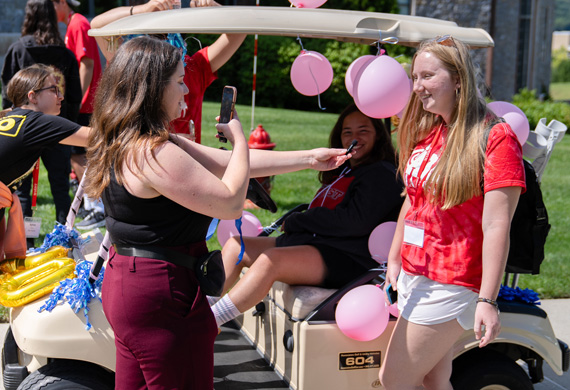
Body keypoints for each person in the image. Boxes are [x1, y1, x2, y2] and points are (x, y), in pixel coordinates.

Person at [83, 35, 350, 389]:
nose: (186, 91)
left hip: (130, 284)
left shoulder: (129, 138)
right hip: (162, 292)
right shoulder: (154, 151)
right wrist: (240, 139)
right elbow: (230, 201)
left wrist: (308, 159)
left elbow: (225, 163)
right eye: (179, 81)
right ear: (152, 88)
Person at [379, 35, 525, 390]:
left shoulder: (495, 137)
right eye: (414, 77)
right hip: (417, 273)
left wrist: (488, 300)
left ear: (458, 78)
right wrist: (395, 258)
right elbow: (413, 198)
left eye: (428, 76)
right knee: (433, 377)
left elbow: (496, 225)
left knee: (394, 379)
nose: (417, 87)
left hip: (453, 281)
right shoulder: (434, 130)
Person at [210, 104, 404, 328]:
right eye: (347, 132)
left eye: (363, 130)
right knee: (236, 247)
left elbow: (355, 222)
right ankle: (200, 307)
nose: (355, 137)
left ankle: (208, 321)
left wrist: (299, 220)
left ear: (378, 135)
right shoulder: (347, 169)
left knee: (269, 262)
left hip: (346, 257)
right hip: (319, 244)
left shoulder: (381, 174)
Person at [90, 0, 246, 143]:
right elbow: (97, 25)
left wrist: (211, 9)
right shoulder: (134, 67)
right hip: (142, 161)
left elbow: (241, 28)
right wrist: (142, 9)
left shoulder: (194, 66)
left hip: (188, 163)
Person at [1, 0, 83, 240]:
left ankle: (23, 243)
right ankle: (65, 238)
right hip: (61, 128)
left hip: (22, 130)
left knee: (21, 192)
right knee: (60, 186)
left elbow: (8, 93)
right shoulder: (65, 54)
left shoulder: (17, 50)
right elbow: (75, 96)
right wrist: (67, 122)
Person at [0, 64, 90, 258]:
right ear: (32, 97)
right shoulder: (35, 121)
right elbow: (95, 137)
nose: (61, 96)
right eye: (54, 90)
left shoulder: (14, 118)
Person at [52, 0, 106, 229]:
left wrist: (78, 101)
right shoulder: (74, 24)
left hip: (86, 105)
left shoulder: (78, 23)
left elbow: (87, 64)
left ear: (61, 3)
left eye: (50, 5)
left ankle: (98, 207)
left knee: (80, 156)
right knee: (81, 155)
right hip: (84, 104)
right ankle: (94, 205)